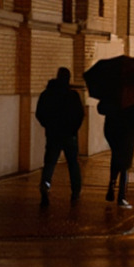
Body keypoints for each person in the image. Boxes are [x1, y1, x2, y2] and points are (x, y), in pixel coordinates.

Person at [35, 67, 84, 207]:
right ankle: (75, 191)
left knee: (50, 163)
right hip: (69, 135)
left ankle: (45, 184)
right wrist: (73, 129)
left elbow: (40, 113)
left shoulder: (47, 94)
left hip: (53, 134)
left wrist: (48, 126)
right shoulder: (72, 96)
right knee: (73, 164)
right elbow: (79, 115)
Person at [99, 100, 134, 208]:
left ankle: (112, 182)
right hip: (127, 133)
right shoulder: (132, 100)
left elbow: (101, 109)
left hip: (113, 131)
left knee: (116, 156)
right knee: (125, 164)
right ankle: (121, 196)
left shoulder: (112, 96)